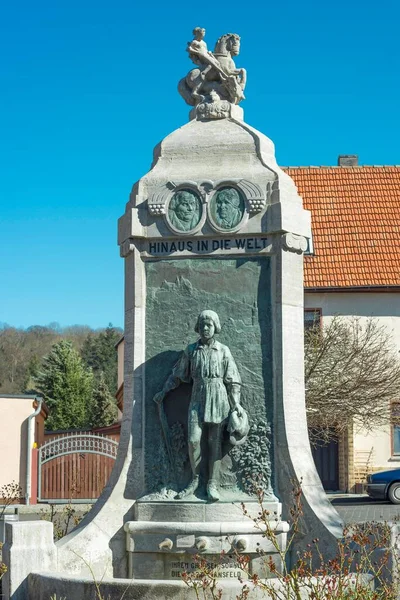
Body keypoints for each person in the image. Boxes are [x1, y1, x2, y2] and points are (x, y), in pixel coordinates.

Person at [153, 310, 243, 501]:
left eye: (209, 325)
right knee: (194, 440)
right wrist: (163, 392)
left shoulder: (223, 351)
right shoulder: (191, 350)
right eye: (202, 325)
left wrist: (236, 405)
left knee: (214, 442)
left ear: (215, 327)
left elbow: (233, 381)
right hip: (198, 398)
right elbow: (178, 375)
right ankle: (194, 480)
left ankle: (212, 483)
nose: (205, 328)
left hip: (218, 398)